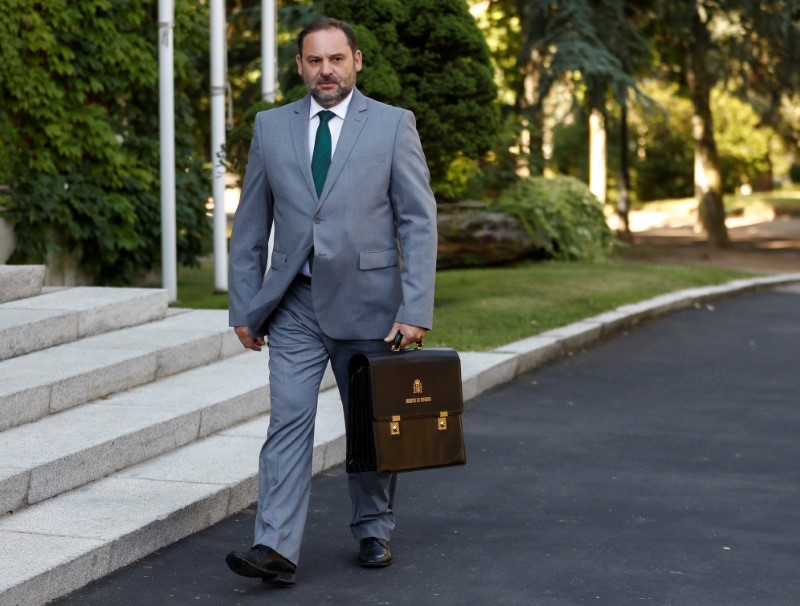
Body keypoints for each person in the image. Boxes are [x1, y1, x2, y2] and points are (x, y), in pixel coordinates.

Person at [224, 17, 437, 586]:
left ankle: (372, 526)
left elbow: (417, 220)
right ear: (299, 66)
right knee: (288, 422)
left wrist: (415, 306)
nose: (326, 70)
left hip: (371, 302)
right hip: (294, 304)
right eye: (314, 61)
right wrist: (246, 305)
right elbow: (249, 225)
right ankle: (273, 547)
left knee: (368, 425)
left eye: (336, 59)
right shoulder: (271, 128)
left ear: (357, 61)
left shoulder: (393, 125)